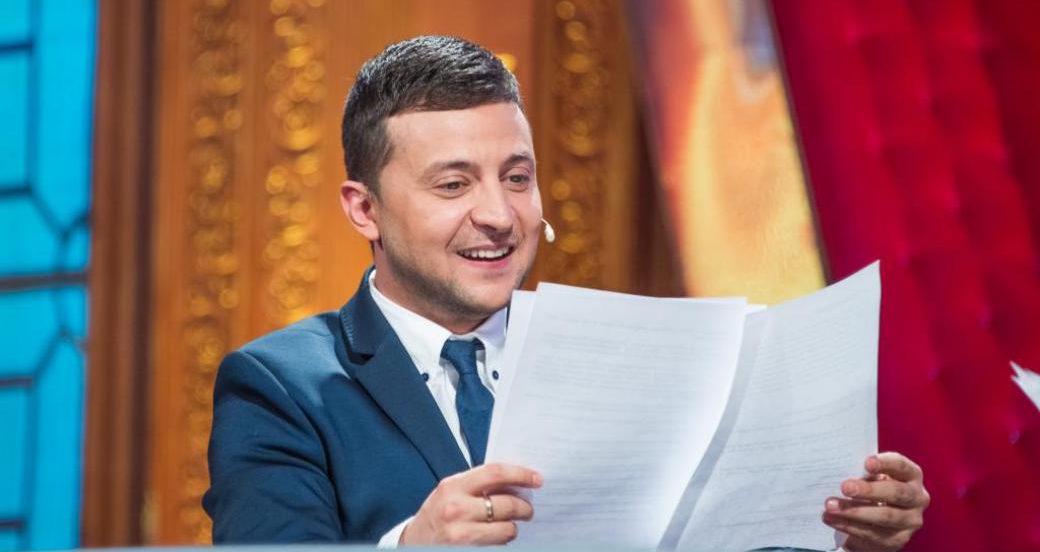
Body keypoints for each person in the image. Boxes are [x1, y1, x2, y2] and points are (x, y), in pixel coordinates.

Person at [203, 35, 929, 551]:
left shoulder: (622, 357)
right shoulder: (280, 386)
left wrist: (844, 535)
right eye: (453, 184)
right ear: (365, 209)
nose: (499, 214)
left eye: (517, 177)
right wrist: (411, 545)